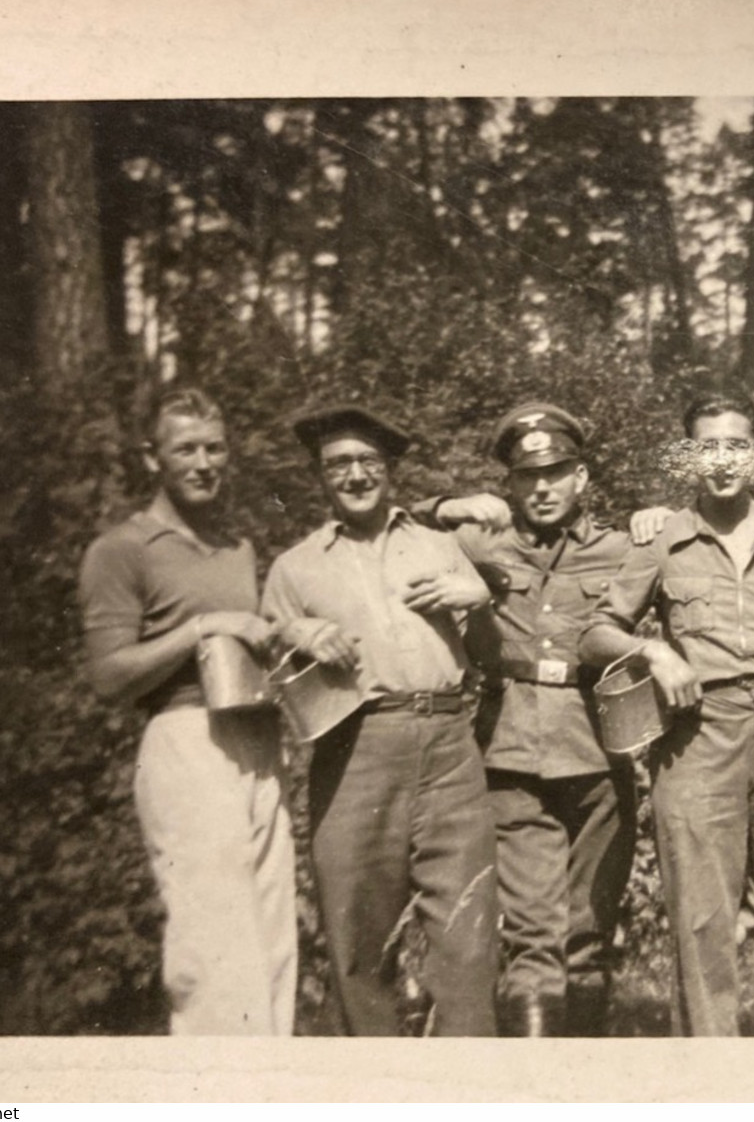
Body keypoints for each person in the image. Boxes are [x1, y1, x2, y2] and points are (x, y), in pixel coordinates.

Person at [579, 388, 754, 1037]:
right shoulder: (663, 539)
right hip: (698, 732)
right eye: (708, 446)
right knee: (701, 916)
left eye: (736, 445)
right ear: (688, 456)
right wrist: (652, 648)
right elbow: (595, 635)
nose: (723, 460)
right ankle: (709, 1077)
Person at [261, 404, 499, 1036]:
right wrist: (294, 631)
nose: (356, 475)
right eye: (339, 464)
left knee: (468, 936)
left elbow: (490, 656)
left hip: (449, 743)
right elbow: (272, 668)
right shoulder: (295, 567)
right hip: (355, 747)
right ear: (320, 476)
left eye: (369, 461)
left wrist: (480, 603)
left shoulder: (439, 546)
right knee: (358, 937)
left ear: (389, 469)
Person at [77, 387, 296, 1036]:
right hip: (184, 744)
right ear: (153, 458)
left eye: (215, 447)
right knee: (213, 952)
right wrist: (202, 627)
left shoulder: (238, 547)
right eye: (185, 449)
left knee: (274, 946)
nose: (204, 462)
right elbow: (108, 676)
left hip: (256, 737)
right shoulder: (121, 549)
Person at [415, 402, 638, 1037]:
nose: (542, 487)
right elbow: (393, 522)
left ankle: (588, 1080)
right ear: (509, 484)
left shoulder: (624, 549)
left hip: (599, 751)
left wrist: (658, 516)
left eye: (556, 471)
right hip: (510, 754)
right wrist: (447, 507)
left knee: (590, 931)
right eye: (526, 476)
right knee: (533, 935)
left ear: (582, 477)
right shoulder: (481, 544)